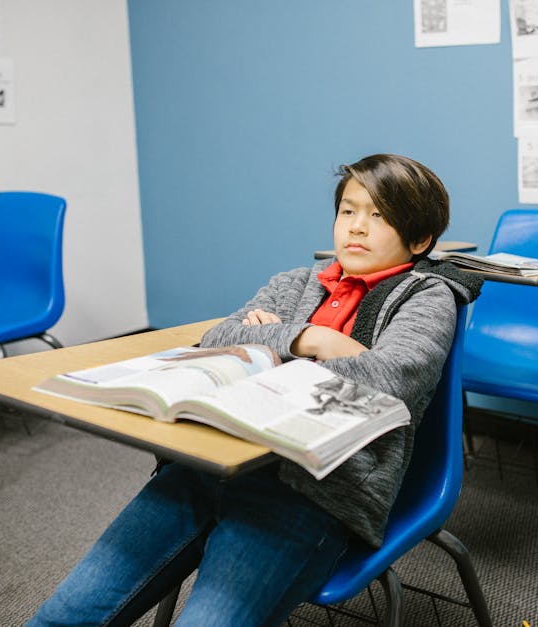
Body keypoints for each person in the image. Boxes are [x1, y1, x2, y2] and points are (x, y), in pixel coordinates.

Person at [26, 153, 482, 627]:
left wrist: (267, 341)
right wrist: (313, 339)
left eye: (380, 215)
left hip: (312, 495)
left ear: (419, 239)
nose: (357, 226)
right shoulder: (295, 282)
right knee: (63, 616)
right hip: (208, 467)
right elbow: (216, 341)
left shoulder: (427, 296)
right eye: (348, 210)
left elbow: (388, 379)